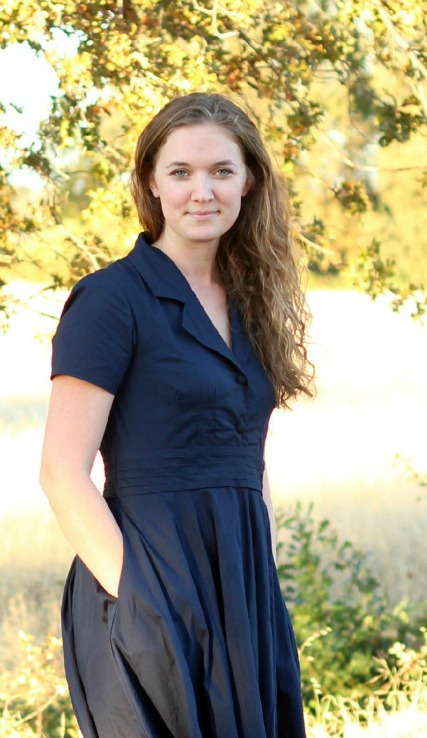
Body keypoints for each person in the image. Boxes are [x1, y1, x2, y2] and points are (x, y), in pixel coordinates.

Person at [40, 92, 314, 738]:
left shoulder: (251, 304)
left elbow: (249, 461)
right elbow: (61, 473)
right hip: (147, 583)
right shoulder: (112, 300)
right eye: (181, 172)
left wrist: (260, 590)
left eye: (222, 171)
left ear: (249, 182)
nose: (203, 191)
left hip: (240, 593)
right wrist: (141, 601)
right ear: (151, 185)